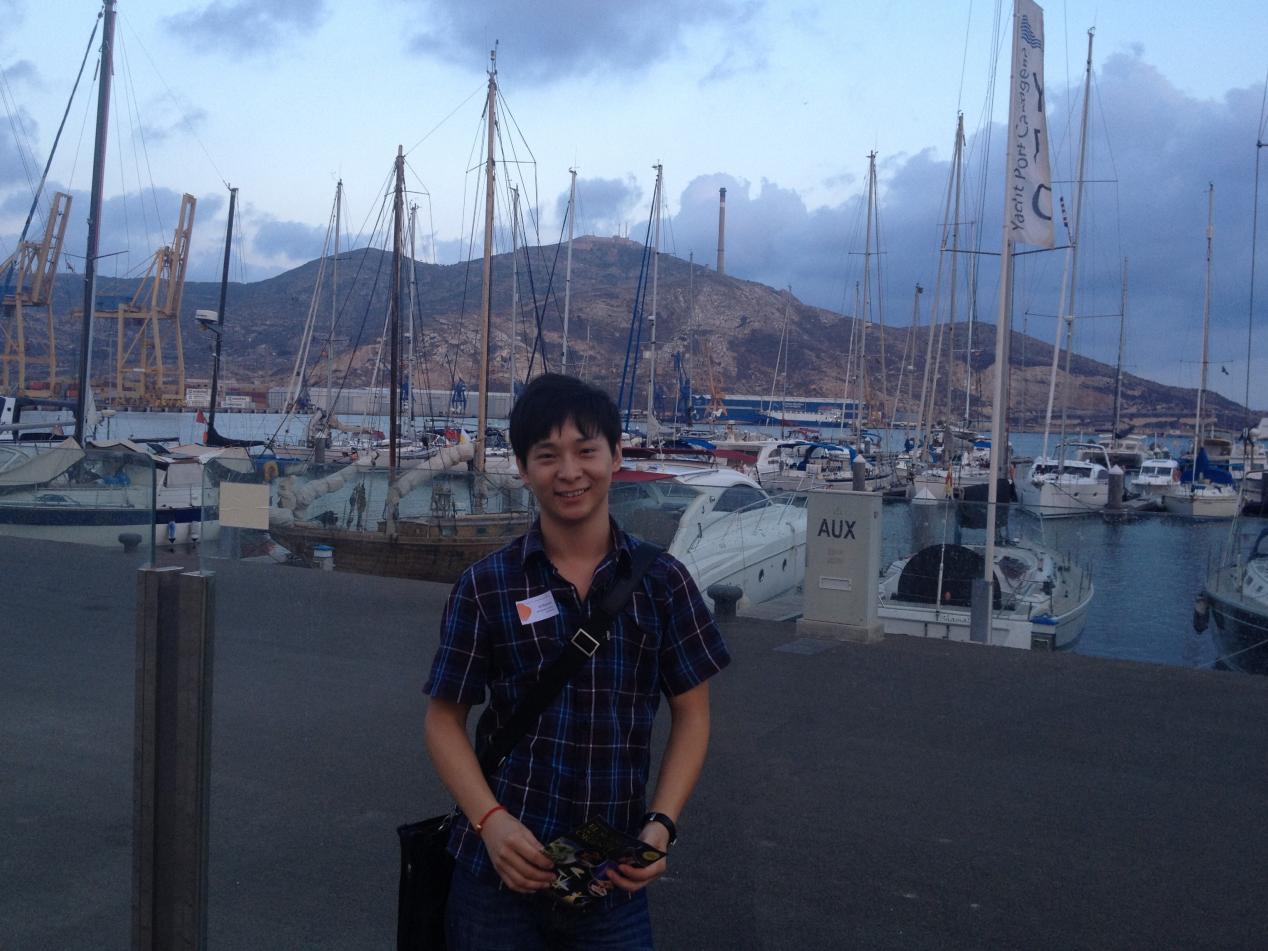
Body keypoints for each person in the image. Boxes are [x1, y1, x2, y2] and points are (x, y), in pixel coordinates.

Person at [423, 373, 730, 951]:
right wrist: (490, 821)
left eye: (586, 451)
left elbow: (693, 714)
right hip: (496, 872)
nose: (569, 472)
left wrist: (661, 824)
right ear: (523, 467)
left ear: (616, 455)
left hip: (609, 877)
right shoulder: (486, 585)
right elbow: (443, 720)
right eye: (547, 456)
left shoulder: (663, 583)